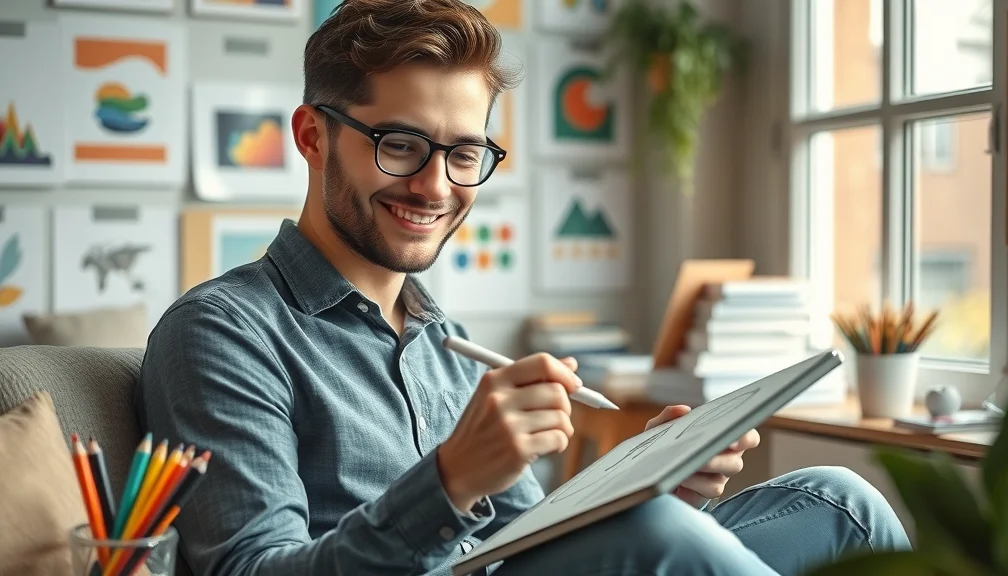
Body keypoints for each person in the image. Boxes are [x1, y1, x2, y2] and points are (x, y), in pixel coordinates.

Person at [135, 0, 911, 574]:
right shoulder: (221, 331)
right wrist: (448, 484)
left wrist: (643, 482)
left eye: (464, 153)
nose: (436, 186)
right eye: (400, 144)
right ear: (313, 135)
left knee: (844, 502)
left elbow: (531, 542)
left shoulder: (443, 338)